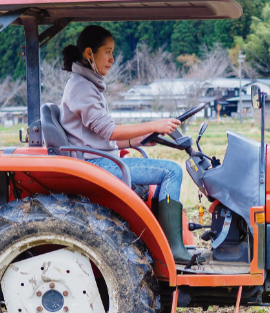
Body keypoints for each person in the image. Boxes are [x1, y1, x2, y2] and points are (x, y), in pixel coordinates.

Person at [60, 25, 197, 264]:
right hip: (96, 165)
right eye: (108, 52)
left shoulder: (87, 85)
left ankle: (164, 242)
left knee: (165, 171)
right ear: (89, 53)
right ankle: (172, 248)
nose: (112, 59)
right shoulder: (81, 88)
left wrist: (136, 140)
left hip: (99, 159)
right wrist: (154, 124)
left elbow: (101, 137)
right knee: (171, 171)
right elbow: (110, 131)